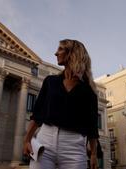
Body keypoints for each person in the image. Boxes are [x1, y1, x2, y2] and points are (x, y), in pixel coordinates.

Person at [23, 39, 99, 169]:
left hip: (74, 146)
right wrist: (27, 140)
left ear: (72, 54)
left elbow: (92, 127)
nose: (55, 53)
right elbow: (37, 115)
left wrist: (93, 154)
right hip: (44, 141)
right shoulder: (50, 81)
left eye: (60, 49)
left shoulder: (89, 91)